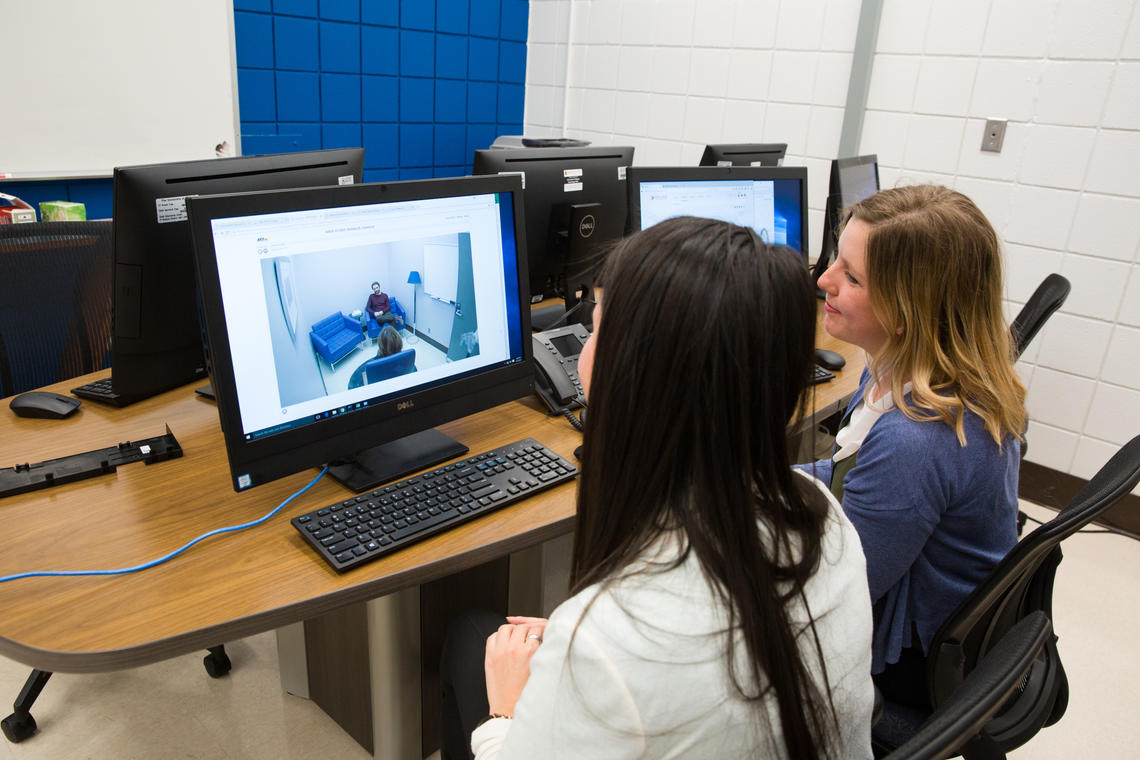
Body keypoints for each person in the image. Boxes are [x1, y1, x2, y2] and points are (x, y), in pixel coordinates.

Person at [440, 216, 874, 759]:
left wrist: (507, 707)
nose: (583, 352)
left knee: (469, 642)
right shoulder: (822, 514)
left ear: (636, 373)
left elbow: (645, 651)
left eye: (595, 330)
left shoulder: (607, 642)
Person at [806, 184, 1026, 715]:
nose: (823, 280)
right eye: (838, 257)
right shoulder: (912, 372)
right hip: (940, 613)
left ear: (909, 311)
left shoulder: (915, 439)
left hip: (907, 664)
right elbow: (842, 469)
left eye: (852, 277)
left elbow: (837, 602)